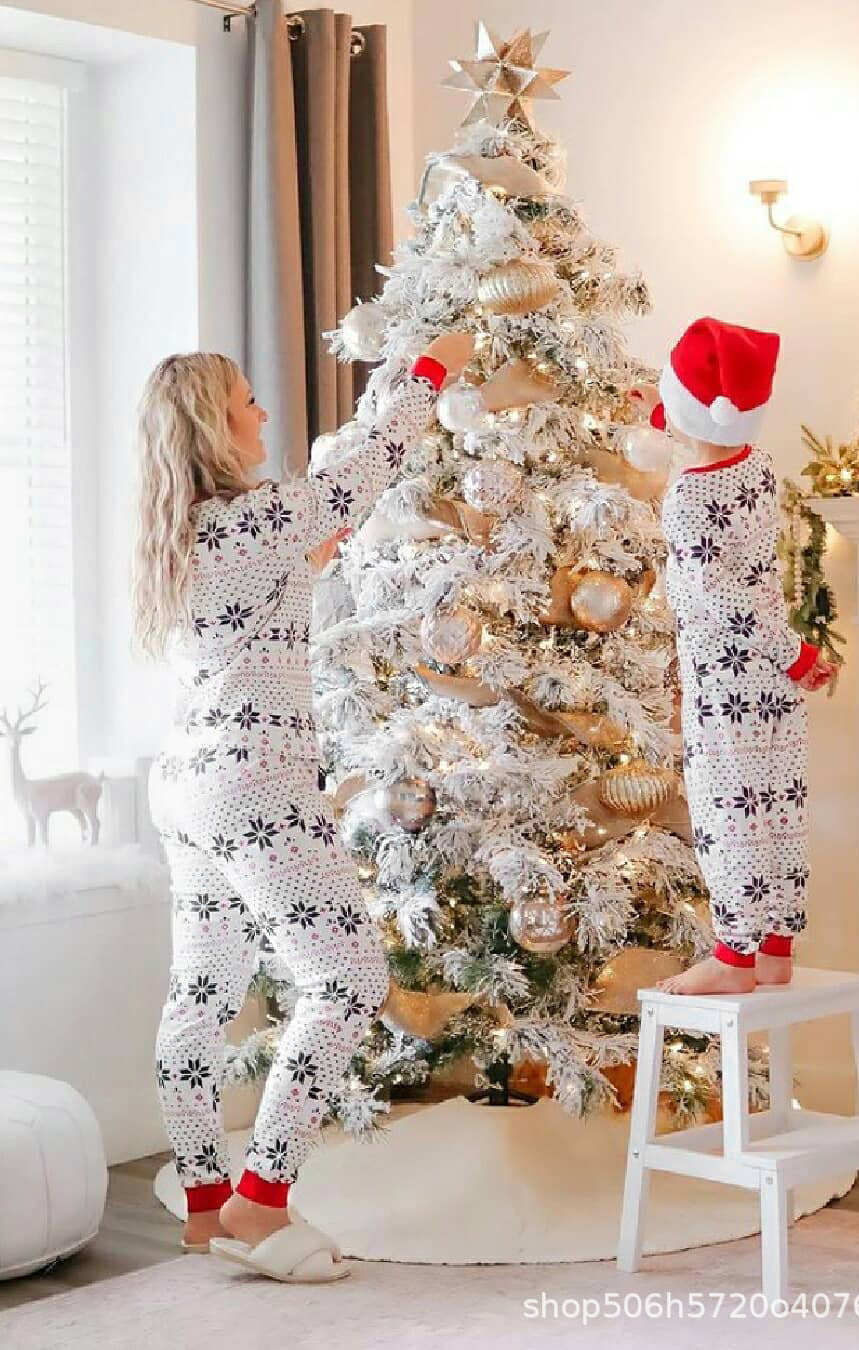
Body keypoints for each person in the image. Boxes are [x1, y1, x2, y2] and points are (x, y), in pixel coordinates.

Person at [131, 332, 473, 1281]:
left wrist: (308, 554)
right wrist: (428, 371)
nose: (263, 414)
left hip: (187, 786)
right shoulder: (257, 519)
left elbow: (262, 599)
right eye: (247, 401)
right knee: (349, 978)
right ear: (214, 423)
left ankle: (203, 1201)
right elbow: (366, 461)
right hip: (256, 784)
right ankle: (262, 1196)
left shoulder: (188, 530)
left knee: (201, 992)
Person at [645, 318, 836, 997]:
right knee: (777, 805)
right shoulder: (757, 466)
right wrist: (795, 655)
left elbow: (725, 602)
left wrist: (794, 652)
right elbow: (712, 431)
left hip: (728, 680)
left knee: (728, 813)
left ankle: (733, 956)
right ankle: (776, 944)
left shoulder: (688, 499)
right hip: (770, 681)